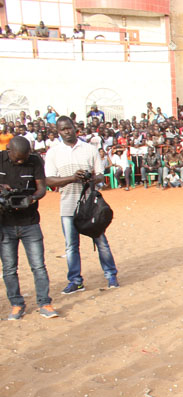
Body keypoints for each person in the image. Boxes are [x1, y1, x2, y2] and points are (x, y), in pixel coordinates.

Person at [44, 116, 119, 293]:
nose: (67, 132)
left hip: (90, 205)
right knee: (71, 246)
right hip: (68, 204)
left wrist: (91, 177)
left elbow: (101, 175)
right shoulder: (53, 153)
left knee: (101, 241)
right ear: (58, 131)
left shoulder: (89, 149)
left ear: (74, 128)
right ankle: (76, 281)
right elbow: (49, 180)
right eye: (63, 129)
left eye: (69, 128)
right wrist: (72, 178)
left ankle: (111, 275)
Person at [0, 136, 57, 320]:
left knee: (38, 266)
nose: (20, 161)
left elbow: (42, 188)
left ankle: (44, 303)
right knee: (9, 268)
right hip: (5, 224)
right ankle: (17, 305)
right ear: (9, 151)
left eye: (24, 158)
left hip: (30, 222)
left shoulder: (34, 160)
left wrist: (32, 198)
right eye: (17, 158)